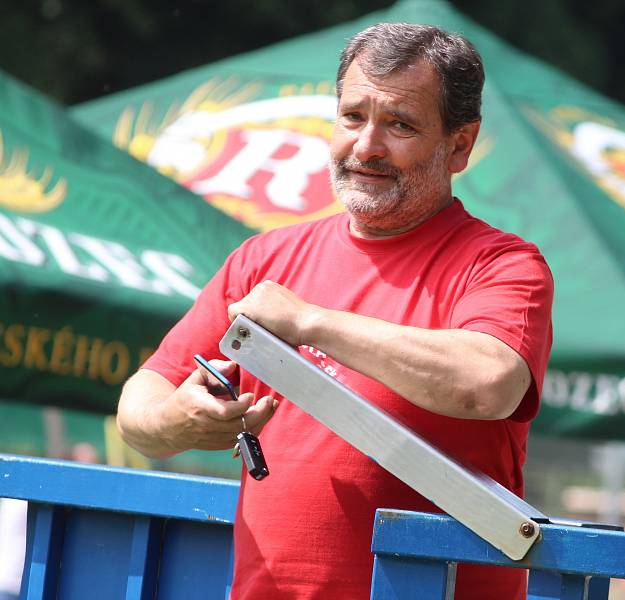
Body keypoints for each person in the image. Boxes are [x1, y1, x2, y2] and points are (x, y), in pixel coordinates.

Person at [117, 22, 553, 599]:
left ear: (460, 146)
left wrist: (309, 322)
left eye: (399, 124)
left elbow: (488, 383)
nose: (366, 145)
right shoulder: (264, 258)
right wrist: (181, 419)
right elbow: (137, 407)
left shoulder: (502, 264)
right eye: (352, 117)